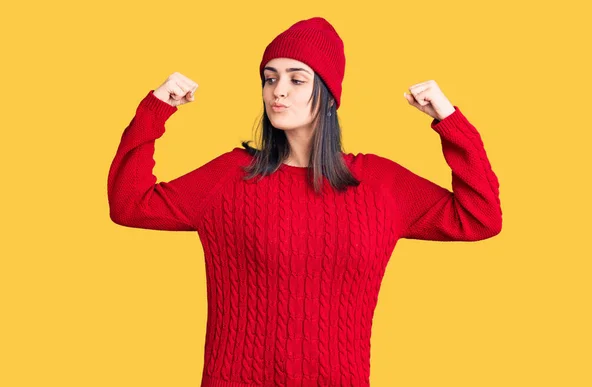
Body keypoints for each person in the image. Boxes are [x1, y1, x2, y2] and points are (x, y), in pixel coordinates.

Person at [107, 16, 502, 387]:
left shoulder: (381, 185)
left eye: (297, 80)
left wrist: (449, 121)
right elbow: (130, 203)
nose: (278, 90)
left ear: (329, 97)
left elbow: (480, 217)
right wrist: (156, 108)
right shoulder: (230, 177)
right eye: (270, 78)